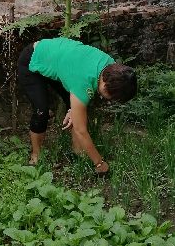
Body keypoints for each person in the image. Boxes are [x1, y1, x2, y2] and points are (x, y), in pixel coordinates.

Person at [17, 37, 137, 172]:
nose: (111, 100)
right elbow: (81, 130)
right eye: (112, 96)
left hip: (61, 61)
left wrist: (72, 110)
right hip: (32, 58)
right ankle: (36, 155)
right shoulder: (83, 82)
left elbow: (80, 91)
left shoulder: (113, 68)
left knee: (76, 110)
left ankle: (78, 152)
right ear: (105, 84)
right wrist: (99, 163)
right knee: (41, 112)